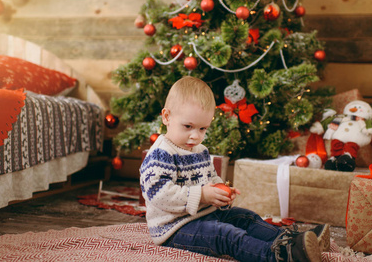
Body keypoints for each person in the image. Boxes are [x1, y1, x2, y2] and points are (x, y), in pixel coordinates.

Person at [140, 76, 330, 261]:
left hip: (205, 214)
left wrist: (220, 191)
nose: (195, 136)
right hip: (175, 229)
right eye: (188, 126)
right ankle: (276, 255)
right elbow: (159, 194)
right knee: (225, 235)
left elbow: (211, 178)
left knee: (246, 217)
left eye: (202, 129)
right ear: (166, 117)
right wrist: (203, 195)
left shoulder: (200, 150)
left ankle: (292, 241)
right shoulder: (161, 153)